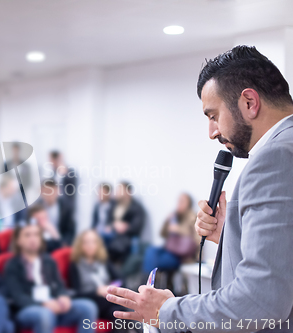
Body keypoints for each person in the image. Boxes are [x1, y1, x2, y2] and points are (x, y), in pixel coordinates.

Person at [106, 46, 293, 332]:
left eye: (213, 115)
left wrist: (166, 310)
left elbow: (262, 301)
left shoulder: (274, 158)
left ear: (249, 102)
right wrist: (232, 234)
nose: (212, 132)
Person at [4, 222, 98, 333]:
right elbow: (18, 297)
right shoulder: (12, 265)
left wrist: (63, 296)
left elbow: (59, 285)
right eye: (27, 235)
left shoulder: (49, 261)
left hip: (54, 305)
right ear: (18, 240)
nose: (33, 239)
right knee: (45, 315)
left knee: (88, 307)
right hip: (28, 309)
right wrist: (44, 304)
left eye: (36, 234)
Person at [69, 230, 135, 333]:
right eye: (86, 242)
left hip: (109, 301)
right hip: (92, 301)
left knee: (119, 314)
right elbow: (76, 293)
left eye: (93, 242)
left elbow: (121, 280)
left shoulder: (103, 260)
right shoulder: (75, 265)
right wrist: (97, 291)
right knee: (123, 309)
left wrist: (111, 288)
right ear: (80, 245)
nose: (90, 245)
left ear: (98, 244)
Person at [142, 193, 198, 275]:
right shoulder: (174, 216)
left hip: (180, 256)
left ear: (189, 204)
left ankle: (147, 282)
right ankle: (147, 280)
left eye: (182, 201)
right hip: (168, 250)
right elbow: (162, 234)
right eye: (179, 201)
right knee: (150, 250)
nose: (179, 204)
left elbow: (195, 237)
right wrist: (167, 221)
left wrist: (178, 229)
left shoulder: (192, 217)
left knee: (154, 261)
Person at [107, 181, 146, 264]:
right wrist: (113, 225)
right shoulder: (113, 204)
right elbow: (109, 220)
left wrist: (126, 227)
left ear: (128, 192)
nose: (117, 192)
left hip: (126, 237)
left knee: (116, 246)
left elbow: (137, 226)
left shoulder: (136, 207)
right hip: (111, 233)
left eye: (120, 189)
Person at [39, 179, 75, 245]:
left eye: (52, 191)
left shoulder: (66, 207)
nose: (49, 195)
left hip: (59, 242)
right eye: (46, 191)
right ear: (41, 192)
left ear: (58, 191)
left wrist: (64, 243)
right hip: (40, 243)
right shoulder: (36, 207)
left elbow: (70, 230)